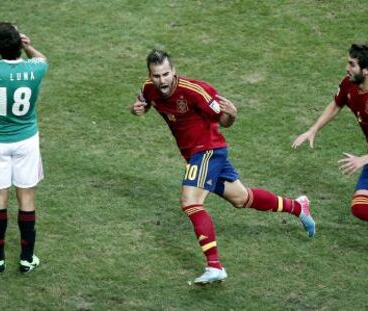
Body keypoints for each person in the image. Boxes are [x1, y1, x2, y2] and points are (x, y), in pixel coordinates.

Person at [131, 49, 315, 285]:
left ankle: (214, 266)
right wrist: (137, 109)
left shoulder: (196, 92)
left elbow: (224, 120)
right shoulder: (149, 88)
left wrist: (233, 115)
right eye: (156, 76)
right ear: (150, 75)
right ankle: (298, 207)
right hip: (198, 155)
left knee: (190, 202)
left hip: (207, 151)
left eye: (166, 74)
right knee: (242, 199)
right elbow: (145, 103)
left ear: (174, 71)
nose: (162, 80)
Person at [0, 22, 48, 273]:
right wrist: (27, 46)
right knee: (26, 196)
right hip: (26, 141)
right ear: (18, 42)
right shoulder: (36, 68)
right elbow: (41, 58)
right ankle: (26, 258)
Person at [293, 44, 368, 222]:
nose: (346, 68)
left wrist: (362, 160)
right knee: (360, 208)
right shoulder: (349, 85)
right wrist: (313, 129)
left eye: (352, 64)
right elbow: (337, 103)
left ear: (366, 71)